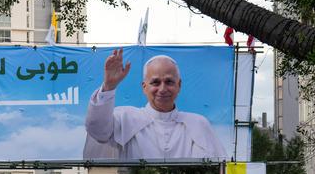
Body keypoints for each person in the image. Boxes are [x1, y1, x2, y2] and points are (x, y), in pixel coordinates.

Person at [84, 51, 228, 161]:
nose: (163, 89)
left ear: (179, 85)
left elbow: (218, 169)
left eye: (169, 82)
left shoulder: (198, 124)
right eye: (155, 82)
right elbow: (97, 130)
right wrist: (109, 86)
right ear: (144, 87)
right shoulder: (125, 117)